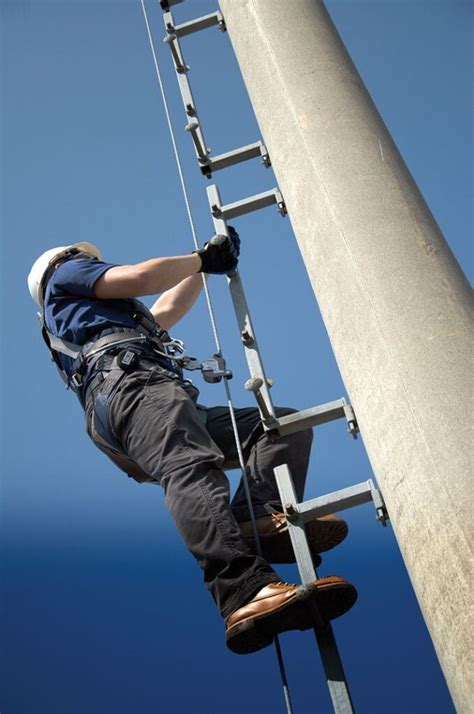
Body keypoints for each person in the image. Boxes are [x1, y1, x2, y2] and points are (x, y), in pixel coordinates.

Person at [27, 234, 357, 655]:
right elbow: (141, 276)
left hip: (136, 396)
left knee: (282, 426)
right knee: (190, 466)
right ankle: (243, 589)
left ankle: (254, 515)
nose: (99, 264)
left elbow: (166, 309)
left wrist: (203, 267)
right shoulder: (67, 272)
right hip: (135, 388)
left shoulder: (101, 319)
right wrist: (198, 257)